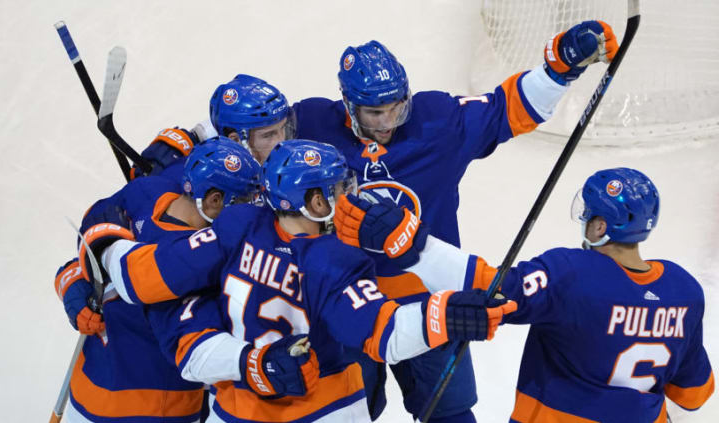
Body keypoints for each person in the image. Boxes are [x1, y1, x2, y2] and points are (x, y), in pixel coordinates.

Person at [288, 21, 620, 422]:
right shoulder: (310, 126)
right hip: (348, 301)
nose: (388, 121)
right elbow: (254, 133)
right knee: (348, 413)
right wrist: (196, 146)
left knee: (450, 413)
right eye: (375, 112)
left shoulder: (437, 121)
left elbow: (504, 110)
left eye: (397, 107)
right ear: (347, 103)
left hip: (430, 299)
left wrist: (560, 67)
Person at [78, 139, 517, 422]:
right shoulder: (332, 259)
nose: (349, 196)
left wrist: (107, 242)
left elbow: (142, 281)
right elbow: (385, 336)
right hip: (323, 412)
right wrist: (443, 315)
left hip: (234, 412)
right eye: (338, 189)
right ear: (312, 201)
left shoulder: (237, 224)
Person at [333, 167, 715, 422]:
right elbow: (694, 395)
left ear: (600, 226)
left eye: (588, 216)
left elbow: (493, 290)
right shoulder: (684, 289)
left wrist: (413, 247)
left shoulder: (572, 274)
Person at [54, 139, 261, 422]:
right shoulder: (205, 263)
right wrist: (74, 278)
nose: (250, 211)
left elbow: (94, 234)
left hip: (90, 394)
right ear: (214, 200)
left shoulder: (146, 191)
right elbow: (92, 250)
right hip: (156, 408)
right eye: (243, 202)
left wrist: (71, 278)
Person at [135, 74, 294, 182]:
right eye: (268, 135)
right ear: (237, 140)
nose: (282, 141)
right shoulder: (208, 180)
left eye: (283, 128)